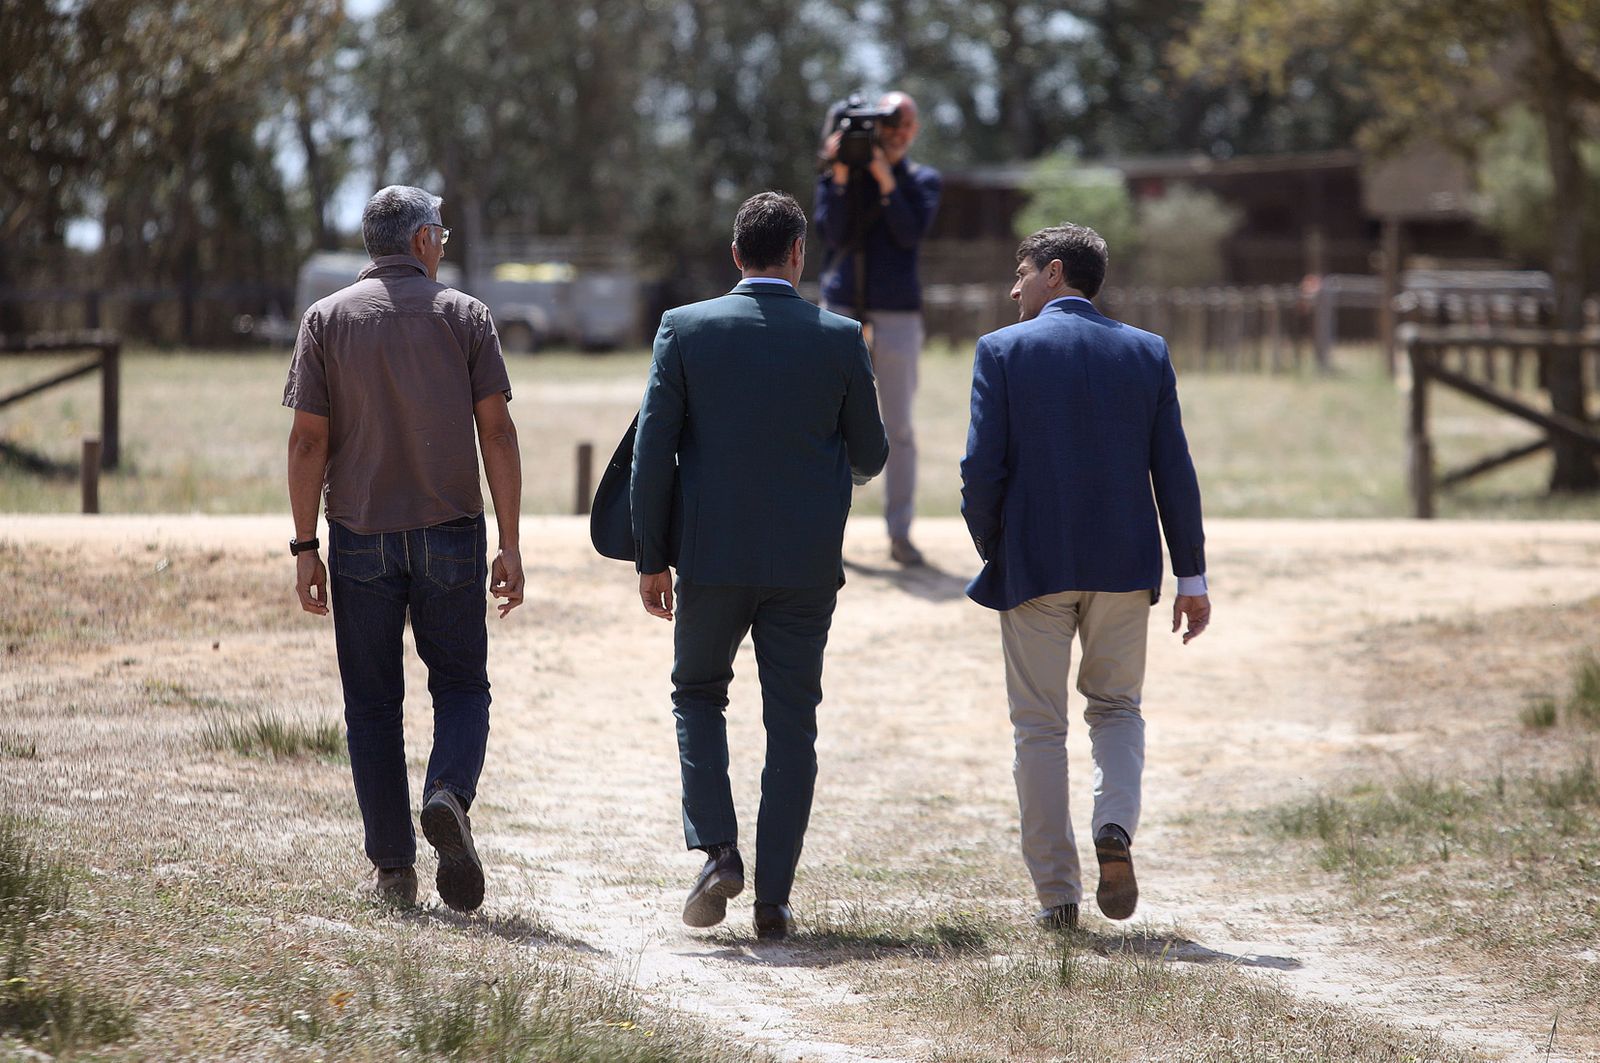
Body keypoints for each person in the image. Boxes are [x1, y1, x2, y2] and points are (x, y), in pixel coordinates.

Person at [631, 191, 889, 940]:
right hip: (806, 566)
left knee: (698, 693)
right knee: (793, 726)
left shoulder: (685, 328)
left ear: (736, 254)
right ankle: (773, 898)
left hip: (709, 557)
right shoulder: (840, 338)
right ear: (799, 254)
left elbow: (655, 450)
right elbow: (871, 454)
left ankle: (717, 851)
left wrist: (652, 555)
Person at [959, 224, 1211, 931]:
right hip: (1125, 565)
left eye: (1022, 272)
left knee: (1038, 727)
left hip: (1033, 565)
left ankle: (1057, 895)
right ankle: (1114, 828)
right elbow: (1175, 472)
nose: (1014, 288)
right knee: (1117, 708)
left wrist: (995, 546)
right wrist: (1190, 573)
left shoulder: (1001, 351)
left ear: (1055, 273)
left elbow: (981, 470)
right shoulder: (1147, 352)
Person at [283, 185, 525, 912]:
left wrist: (304, 545)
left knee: (371, 703)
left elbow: (307, 441)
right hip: (451, 531)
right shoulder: (466, 317)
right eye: (441, 232)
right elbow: (499, 434)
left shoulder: (324, 320)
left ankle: (394, 868)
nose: (444, 243)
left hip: (359, 537)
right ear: (420, 240)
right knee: (460, 685)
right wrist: (510, 543)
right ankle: (448, 790)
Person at [814, 90, 941, 567]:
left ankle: (900, 533)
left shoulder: (923, 180)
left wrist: (886, 180)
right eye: (889, 126)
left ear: (915, 130)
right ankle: (825, 532)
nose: (896, 133)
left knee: (900, 427)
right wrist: (843, 177)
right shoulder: (839, 175)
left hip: (898, 313)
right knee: (828, 423)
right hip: (843, 308)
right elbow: (832, 235)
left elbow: (909, 234)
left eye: (905, 125)